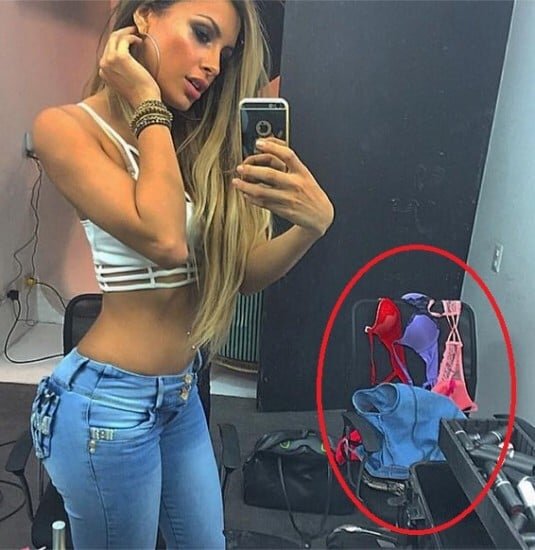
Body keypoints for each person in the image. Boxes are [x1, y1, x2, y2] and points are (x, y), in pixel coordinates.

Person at [29, 0, 334, 548]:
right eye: (201, 33)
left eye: (226, 52)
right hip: (106, 407)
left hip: (181, 394)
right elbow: (166, 239)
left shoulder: (193, 140)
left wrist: (310, 228)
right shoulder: (66, 128)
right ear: (145, 16)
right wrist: (146, 102)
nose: (214, 63)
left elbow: (243, 274)